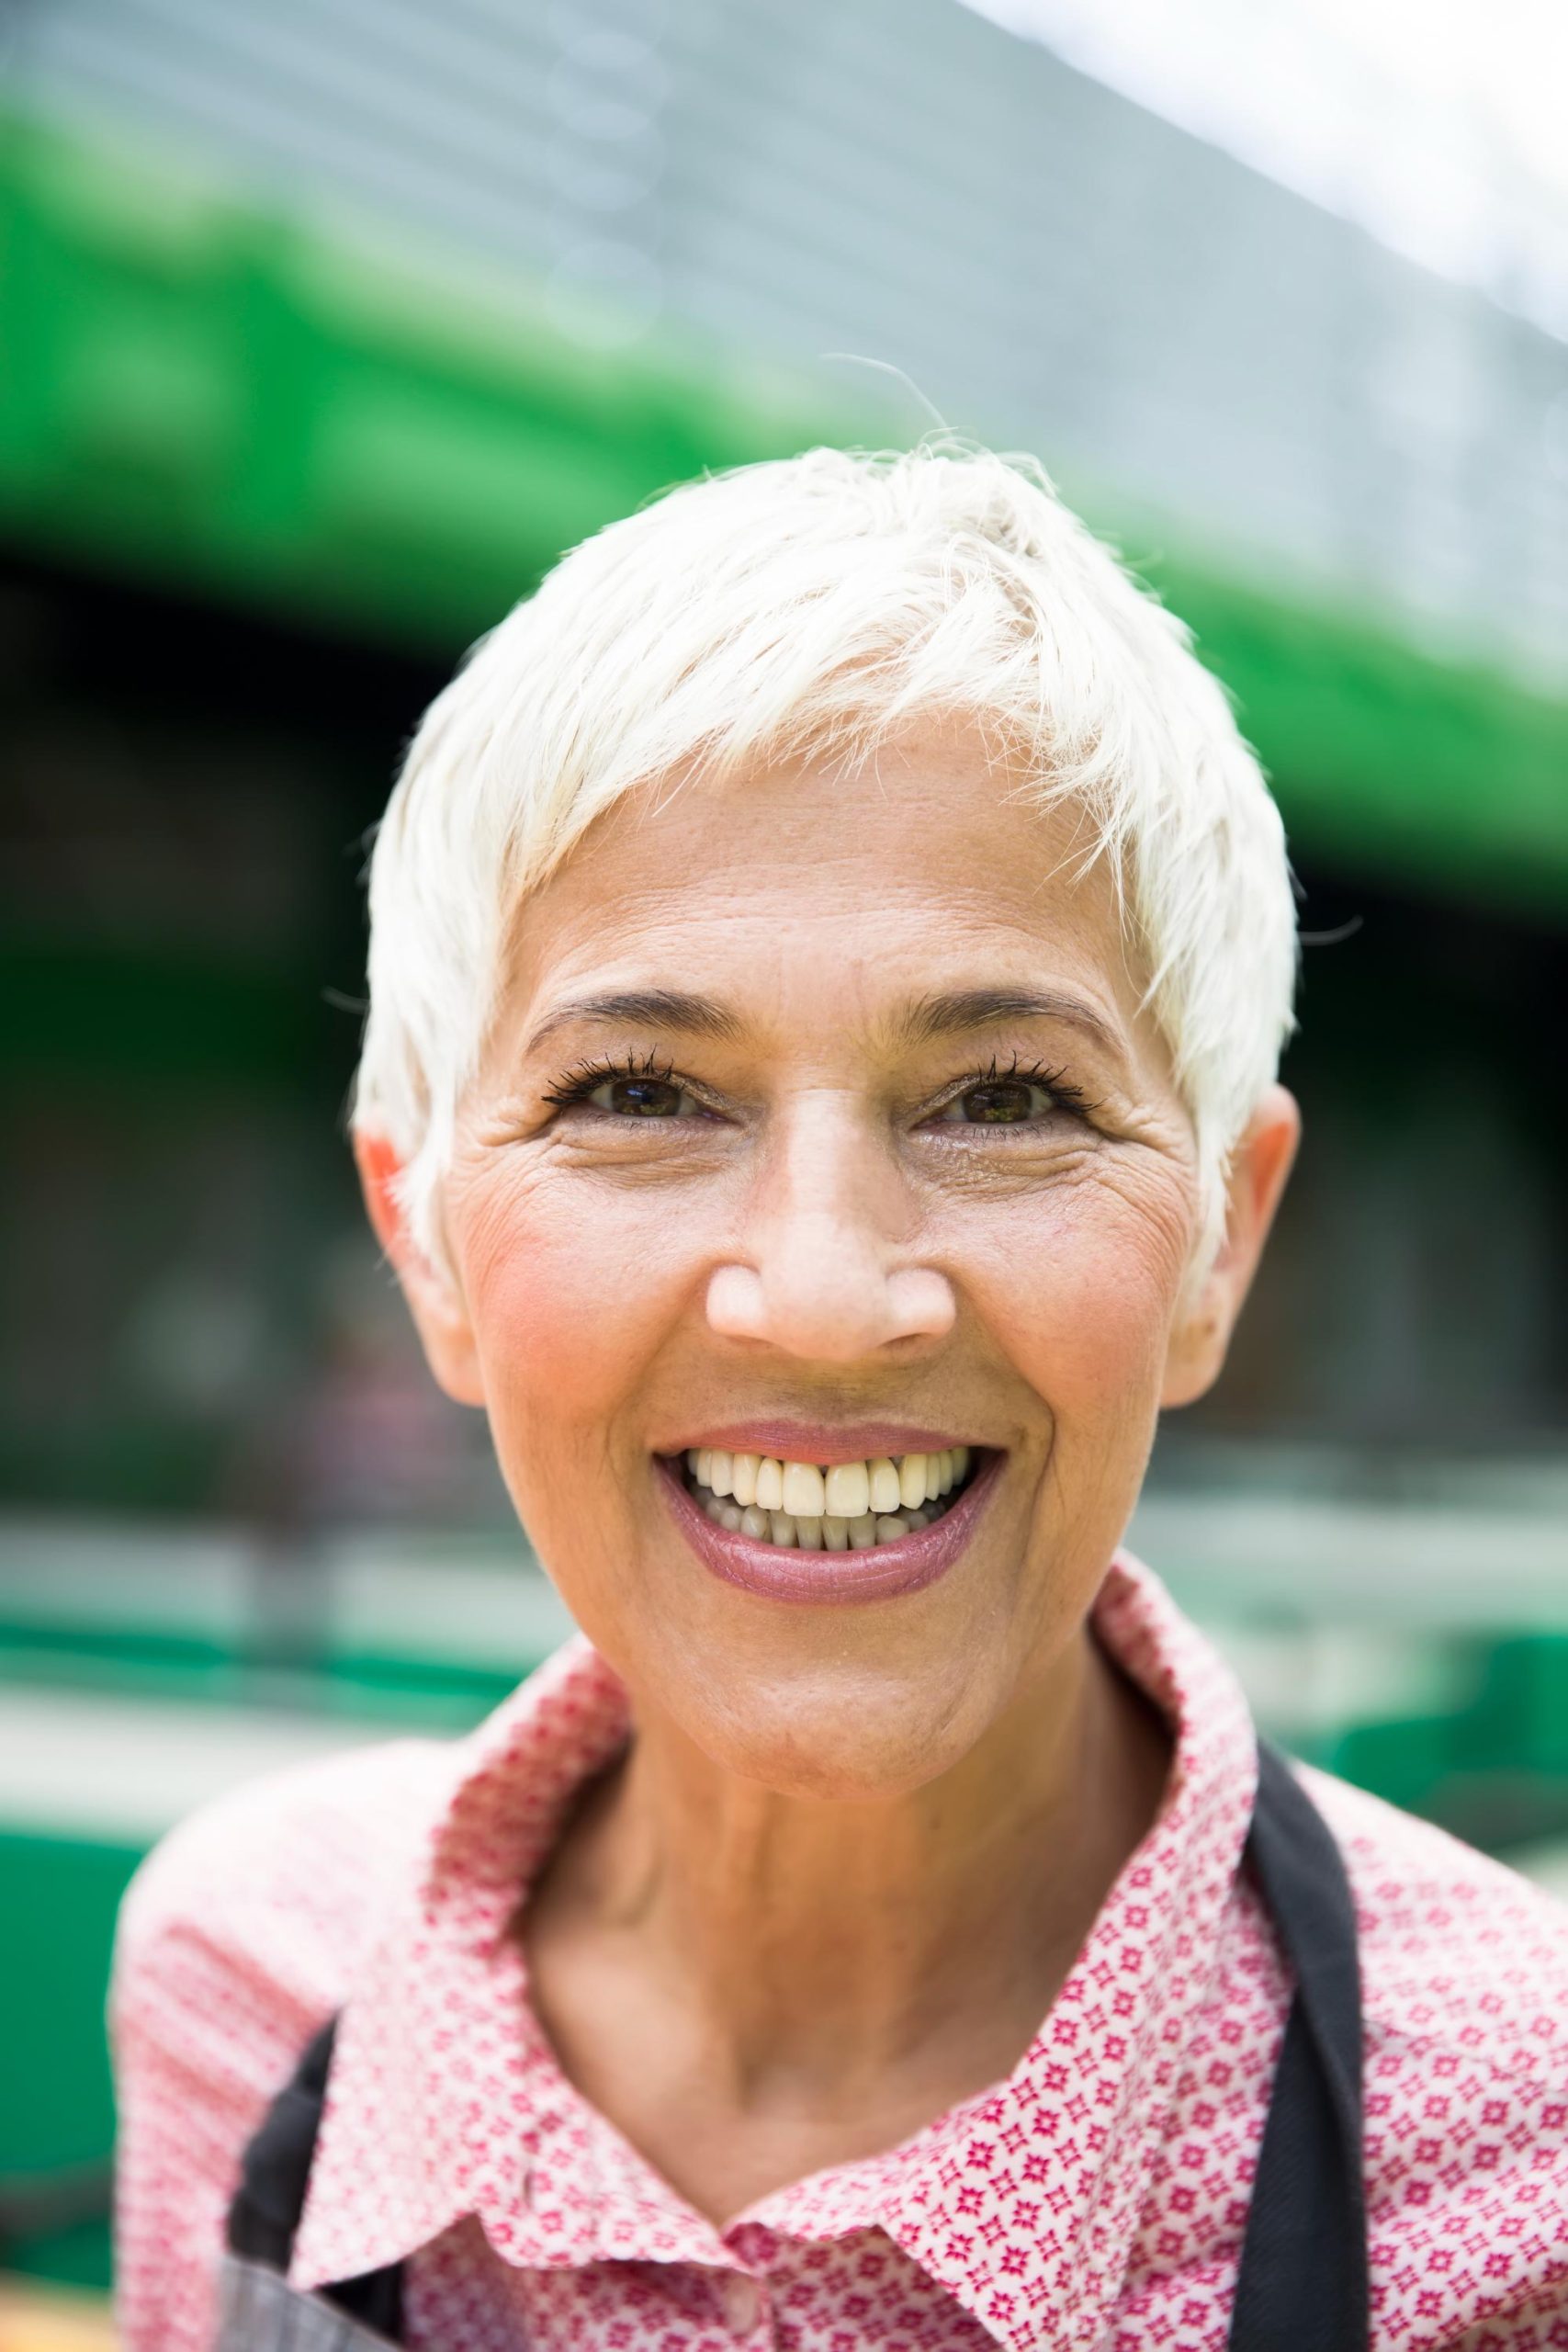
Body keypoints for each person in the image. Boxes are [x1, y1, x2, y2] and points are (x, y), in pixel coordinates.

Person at [110, 445, 1568, 2350]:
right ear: (424, 1243)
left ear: (1219, 1234)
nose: (818, 1294)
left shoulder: (1515, 2157)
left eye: (1005, 1100)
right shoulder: (254, 1974)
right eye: (636, 1091)